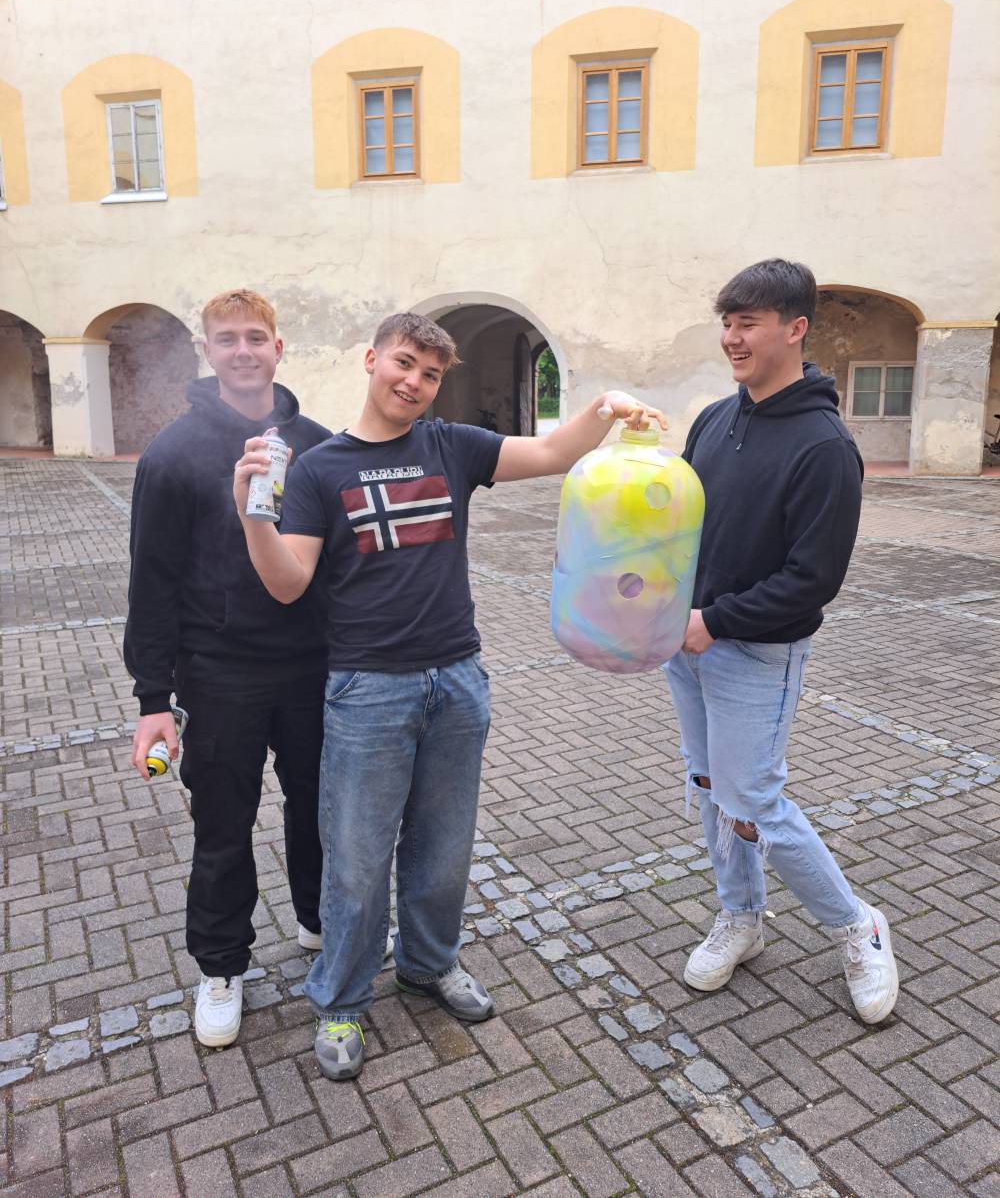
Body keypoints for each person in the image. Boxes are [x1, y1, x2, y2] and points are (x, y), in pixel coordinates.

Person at [233, 312, 666, 1080]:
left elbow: (553, 452)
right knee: (357, 858)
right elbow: (288, 582)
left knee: (443, 848)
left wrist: (606, 406)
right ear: (371, 359)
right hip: (367, 689)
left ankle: (428, 964)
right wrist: (252, 514)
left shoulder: (450, 446)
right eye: (404, 363)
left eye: (430, 374)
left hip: (457, 679)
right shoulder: (321, 469)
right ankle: (341, 997)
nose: (415, 382)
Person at [665, 258, 899, 1024]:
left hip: (754, 653)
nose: (732, 337)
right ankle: (741, 914)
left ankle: (856, 926)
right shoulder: (714, 418)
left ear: (795, 328)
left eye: (749, 323)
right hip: (688, 644)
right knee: (711, 786)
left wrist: (714, 621)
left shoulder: (824, 446)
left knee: (755, 804)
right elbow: (681, 519)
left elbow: (812, 580)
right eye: (727, 322)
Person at [124, 289, 332, 1049]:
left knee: (321, 809)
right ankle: (220, 968)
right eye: (226, 339)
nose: (242, 351)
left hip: (311, 667)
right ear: (207, 352)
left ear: (278, 347)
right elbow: (151, 582)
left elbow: (341, 567)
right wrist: (154, 698)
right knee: (222, 826)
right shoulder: (173, 454)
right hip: (217, 673)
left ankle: (319, 920)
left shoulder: (317, 445)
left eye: (255, 337)